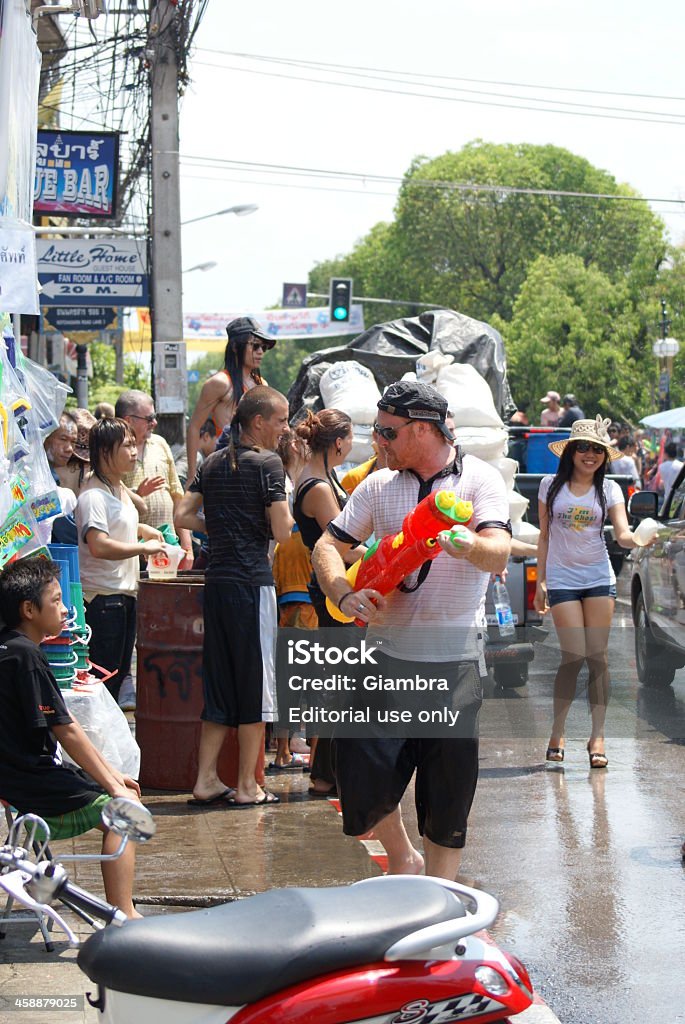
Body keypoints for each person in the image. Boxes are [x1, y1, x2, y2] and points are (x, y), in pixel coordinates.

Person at [311, 381, 511, 879]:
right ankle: (401, 856)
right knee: (355, 772)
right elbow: (327, 547)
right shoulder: (379, 485)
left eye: (387, 432)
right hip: (385, 659)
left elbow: (500, 550)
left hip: (454, 661)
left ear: (422, 429)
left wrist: (468, 545)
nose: (378, 441)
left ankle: (439, 894)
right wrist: (343, 593)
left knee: (447, 792)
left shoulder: (479, 480)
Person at [0, 558, 142, 918]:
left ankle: (42, 889)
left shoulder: (9, 648)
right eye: (58, 601)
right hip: (31, 788)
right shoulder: (28, 656)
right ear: (29, 610)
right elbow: (67, 729)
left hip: (15, 783)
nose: (67, 610)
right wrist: (114, 787)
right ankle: (123, 915)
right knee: (128, 814)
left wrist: (111, 774)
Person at [174, 386, 293, 808]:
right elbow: (281, 531)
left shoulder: (212, 462)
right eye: (280, 420)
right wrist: (263, 519)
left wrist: (221, 527)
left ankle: (205, 780)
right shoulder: (269, 464)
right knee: (256, 690)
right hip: (252, 584)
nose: (284, 428)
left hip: (218, 583)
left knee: (220, 686)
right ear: (258, 422)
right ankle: (247, 785)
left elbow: (183, 515)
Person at [533, 416, 649, 769]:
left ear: (604, 455)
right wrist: (540, 583)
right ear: (570, 451)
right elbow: (544, 536)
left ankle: (598, 735)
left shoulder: (610, 490)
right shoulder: (549, 485)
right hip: (563, 578)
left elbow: (623, 534)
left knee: (597, 658)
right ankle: (558, 730)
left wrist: (644, 536)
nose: (589, 455)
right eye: (582, 447)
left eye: (597, 449)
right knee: (573, 656)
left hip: (599, 577)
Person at [293, 409, 363, 798]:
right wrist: (388, 558)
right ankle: (325, 773)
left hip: (331, 587)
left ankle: (332, 771)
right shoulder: (319, 487)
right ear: (338, 442)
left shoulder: (324, 477)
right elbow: (345, 547)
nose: (351, 446)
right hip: (331, 590)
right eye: (350, 438)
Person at [76, 419, 164, 704]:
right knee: (104, 683)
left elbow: (116, 524)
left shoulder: (117, 489)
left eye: (133, 444)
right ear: (104, 452)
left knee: (117, 676)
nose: (134, 451)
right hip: (103, 600)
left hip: (123, 597)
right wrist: (142, 546)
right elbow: (99, 545)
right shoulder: (93, 496)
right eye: (126, 445)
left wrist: (143, 530)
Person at [186, 317, 276, 484]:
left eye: (263, 347)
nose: (260, 352)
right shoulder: (219, 383)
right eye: (255, 345)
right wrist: (192, 477)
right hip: (226, 468)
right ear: (235, 347)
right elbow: (194, 427)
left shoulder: (262, 384)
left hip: (257, 466)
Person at [115, 390, 193, 567]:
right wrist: (138, 494)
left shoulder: (160, 444)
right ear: (128, 420)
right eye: (149, 418)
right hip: (133, 552)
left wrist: (187, 547)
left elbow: (177, 496)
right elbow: (111, 502)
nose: (154, 423)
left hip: (168, 548)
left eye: (154, 417)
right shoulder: (113, 452)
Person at [43, 414, 78, 544]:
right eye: (63, 439)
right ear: (46, 437)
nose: (69, 449)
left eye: (73, 442)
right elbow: (68, 533)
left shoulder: (49, 476)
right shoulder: (40, 480)